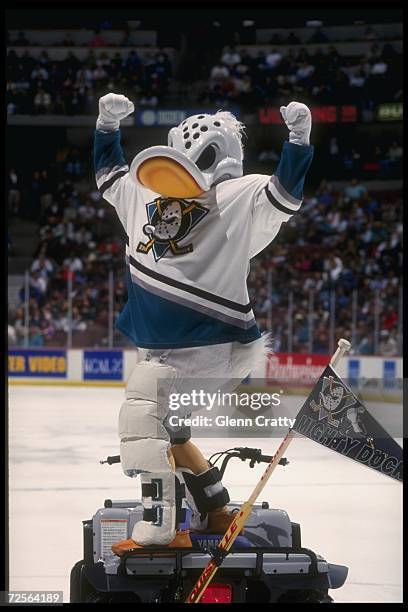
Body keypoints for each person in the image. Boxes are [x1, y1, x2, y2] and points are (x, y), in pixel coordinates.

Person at [94, 93, 313, 553]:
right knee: (172, 434)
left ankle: (162, 530)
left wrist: (298, 142)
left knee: (142, 420)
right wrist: (106, 128)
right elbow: (111, 178)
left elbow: (282, 196)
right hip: (170, 346)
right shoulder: (146, 192)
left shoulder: (233, 197)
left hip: (206, 343)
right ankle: (215, 507)